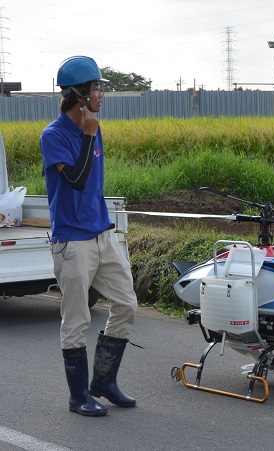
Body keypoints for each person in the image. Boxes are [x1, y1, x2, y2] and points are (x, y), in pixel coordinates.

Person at [40, 56, 138, 417]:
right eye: (96, 87)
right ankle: (78, 395)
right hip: (72, 241)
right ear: (78, 94)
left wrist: (90, 133)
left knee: (126, 303)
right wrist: (86, 135)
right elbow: (76, 179)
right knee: (77, 318)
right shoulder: (54, 136)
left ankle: (103, 381)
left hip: (101, 233)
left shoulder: (93, 128)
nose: (101, 93)